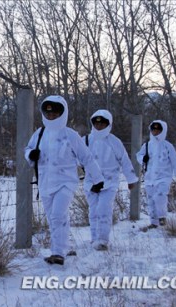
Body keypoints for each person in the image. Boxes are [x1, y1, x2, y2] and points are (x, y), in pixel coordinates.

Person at [25, 95, 104, 265]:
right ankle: (66, 246)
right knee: (55, 218)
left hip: (66, 182)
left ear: (63, 113)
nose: (51, 116)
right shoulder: (39, 134)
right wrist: (31, 155)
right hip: (45, 183)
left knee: (57, 215)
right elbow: (28, 149)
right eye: (48, 113)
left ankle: (57, 253)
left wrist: (98, 179)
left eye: (55, 113)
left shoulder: (71, 135)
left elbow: (86, 157)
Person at [83, 109, 138, 251]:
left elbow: (124, 160)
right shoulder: (86, 140)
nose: (99, 126)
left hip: (109, 182)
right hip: (91, 183)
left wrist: (131, 179)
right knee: (93, 210)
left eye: (102, 123)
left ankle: (102, 240)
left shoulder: (114, 141)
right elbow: (76, 158)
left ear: (108, 124)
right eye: (96, 123)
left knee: (103, 209)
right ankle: (94, 237)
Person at [136, 120, 176, 232]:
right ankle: (154, 223)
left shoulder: (167, 146)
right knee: (151, 200)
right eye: (153, 129)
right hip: (150, 178)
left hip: (164, 177)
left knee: (160, 196)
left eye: (158, 129)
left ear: (162, 131)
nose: (155, 131)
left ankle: (162, 217)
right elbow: (138, 155)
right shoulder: (147, 145)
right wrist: (142, 159)